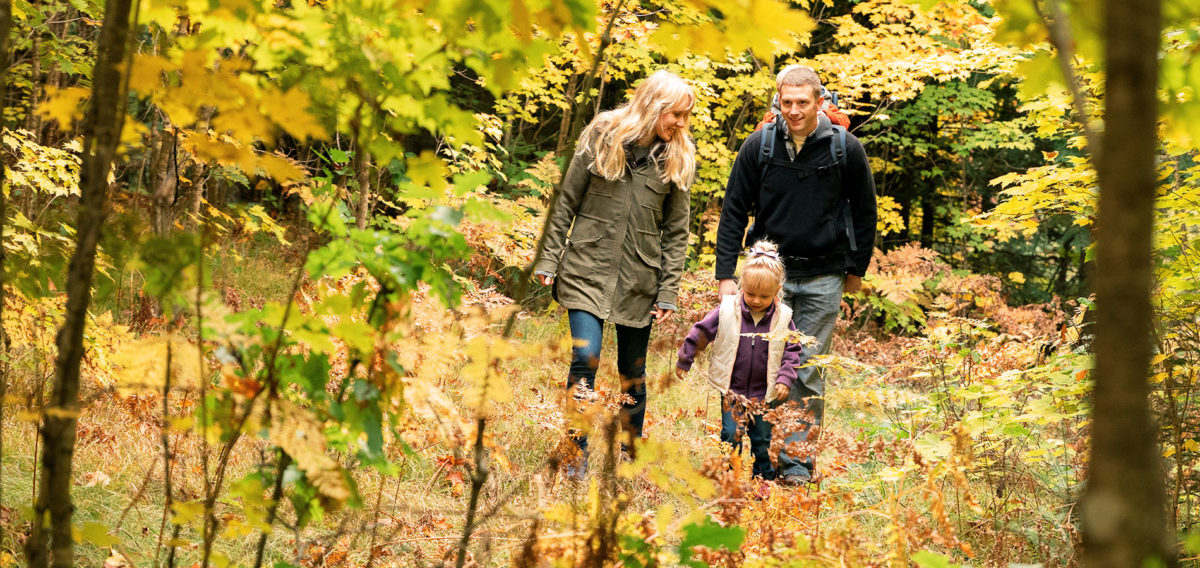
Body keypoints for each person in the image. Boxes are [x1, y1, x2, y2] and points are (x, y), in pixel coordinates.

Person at [714, 64, 877, 485]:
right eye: (787, 102)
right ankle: (756, 459)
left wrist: (856, 268)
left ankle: (797, 464)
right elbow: (734, 209)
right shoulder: (759, 145)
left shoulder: (846, 148)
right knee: (760, 364)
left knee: (806, 370)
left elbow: (864, 211)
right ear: (778, 101)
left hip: (823, 277)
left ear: (820, 102)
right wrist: (725, 274)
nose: (794, 110)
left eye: (803, 103)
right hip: (769, 278)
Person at [534, 70, 696, 479]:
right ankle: (575, 452)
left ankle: (630, 450)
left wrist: (667, 292)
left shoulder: (677, 156)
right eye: (675, 114)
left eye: (685, 116)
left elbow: (677, 233)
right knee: (585, 356)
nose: (680, 124)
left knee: (632, 371)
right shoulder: (601, 134)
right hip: (586, 266)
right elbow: (566, 199)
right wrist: (549, 259)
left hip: (640, 280)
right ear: (654, 105)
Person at [675, 240, 803, 480]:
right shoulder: (727, 310)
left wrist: (785, 378)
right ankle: (730, 477)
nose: (755, 300)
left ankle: (764, 478)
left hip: (764, 393)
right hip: (732, 390)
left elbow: (792, 350)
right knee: (730, 434)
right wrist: (685, 358)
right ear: (742, 286)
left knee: (763, 439)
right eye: (751, 293)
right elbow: (702, 332)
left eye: (764, 296)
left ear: (777, 292)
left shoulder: (783, 318)